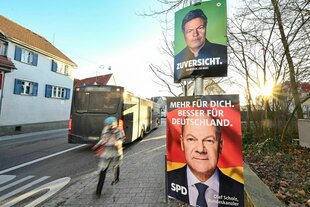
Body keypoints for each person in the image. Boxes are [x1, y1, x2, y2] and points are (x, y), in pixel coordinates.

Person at [167, 114, 244, 207]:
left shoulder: (239, 190)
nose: (200, 149)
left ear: (220, 145)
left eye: (209, 140)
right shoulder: (168, 181)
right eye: (191, 139)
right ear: (182, 143)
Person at [174, 9, 227, 82]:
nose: (195, 34)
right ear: (184, 34)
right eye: (190, 31)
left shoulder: (222, 51)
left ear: (206, 28)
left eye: (200, 28)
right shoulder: (177, 59)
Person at [92, 116, 124, 196]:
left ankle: (116, 178)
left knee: (116, 166)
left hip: (115, 152)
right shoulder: (105, 129)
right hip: (106, 153)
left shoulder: (118, 130)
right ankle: (98, 191)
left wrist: (117, 143)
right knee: (102, 171)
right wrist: (96, 146)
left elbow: (121, 139)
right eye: (108, 124)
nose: (109, 126)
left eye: (110, 125)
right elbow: (103, 139)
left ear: (114, 124)